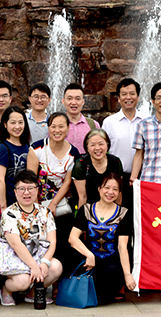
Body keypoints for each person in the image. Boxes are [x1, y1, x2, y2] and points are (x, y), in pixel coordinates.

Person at [27, 112, 81, 279]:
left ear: (68, 128)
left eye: (61, 126)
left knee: (61, 242)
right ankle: (35, 279)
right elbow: (30, 179)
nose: (57, 130)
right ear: (48, 128)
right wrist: (37, 207)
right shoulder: (37, 148)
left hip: (61, 205)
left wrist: (53, 204)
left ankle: (58, 281)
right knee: (37, 242)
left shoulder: (73, 153)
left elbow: (67, 182)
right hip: (36, 202)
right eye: (53, 126)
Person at [0, 170, 63, 306]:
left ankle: (33, 293)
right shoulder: (9, 214)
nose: (26, 193)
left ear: (37, 190)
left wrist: (44, 263)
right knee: (23, 281)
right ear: (15, 192)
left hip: (39, 256)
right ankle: (6, 290)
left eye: (31, 188)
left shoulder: (45, 212)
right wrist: (33, 266)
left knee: (56, 267)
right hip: (16, 257)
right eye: (22, 189)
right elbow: (16, 244)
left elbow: (52, 241)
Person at [69, 173, 136, 303]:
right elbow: (73, 238)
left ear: (119, 193)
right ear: (99, 188)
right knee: (71, 253)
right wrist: (89, 255)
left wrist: (128, 275)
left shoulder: (124, 213)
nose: (110, 192)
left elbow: (122, 247)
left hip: (111, 264)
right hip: (90, 261)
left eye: (115, 189)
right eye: (107, 187)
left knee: (104, 292)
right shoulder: (86, 209)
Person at [102, 78, 147, 208]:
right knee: (119, 213)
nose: (128, 97)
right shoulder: (109, 122)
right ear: (118, 98)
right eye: (124, 94)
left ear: (138, 97)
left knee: (141, 214)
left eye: (132, 93)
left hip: (143, 177)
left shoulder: (147, 120)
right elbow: (103, 150)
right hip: (117, 177)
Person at [73, 129, 124, 207]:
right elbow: (82, 196)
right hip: (90, 207)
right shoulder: (81, 164)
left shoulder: (115, 162)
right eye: (92, 145)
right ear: (87, 147)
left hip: (110, 206)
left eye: (101, 144)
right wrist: (83, 214)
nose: (97, 148)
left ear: (107, 145)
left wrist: (117, 213)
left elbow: (118, 193)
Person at [0, 106, 31, 213]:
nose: (17, 126)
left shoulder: (26, 146)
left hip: (24, 201)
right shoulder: (3, 148)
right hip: (9, 202)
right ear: (5, 124)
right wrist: (3, 206)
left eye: (20, 122)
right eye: (13, 123)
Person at [62, 83, 100, 154]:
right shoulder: (55, 125)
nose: (73, 102)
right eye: (69, 98)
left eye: (78, 99)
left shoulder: (93, 125)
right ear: (63, 101)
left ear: (83, 102)